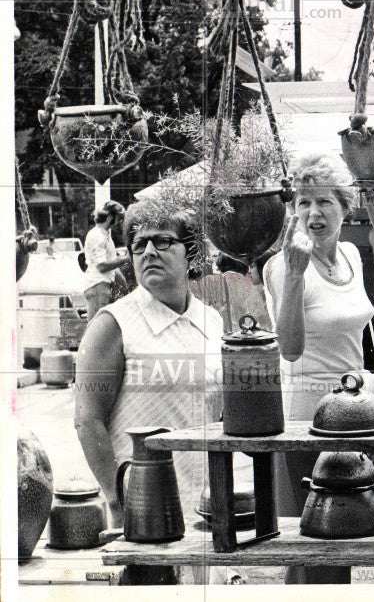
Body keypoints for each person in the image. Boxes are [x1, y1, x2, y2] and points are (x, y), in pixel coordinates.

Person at [74, 199, 223, 584]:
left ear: (191, 252)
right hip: (143, 511)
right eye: (138, 245)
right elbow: (87, 420)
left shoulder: (210, 319)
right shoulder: (112, 323)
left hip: (204, 507)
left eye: (162, 241)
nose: (148, 252)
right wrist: (117, 501)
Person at [262, 153, 374, 584]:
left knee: (345, 537)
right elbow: (288, 349)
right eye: (303, 203)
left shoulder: (351, 255)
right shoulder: (283, 266)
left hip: (355, 415)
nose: (313, 213)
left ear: (346, 207)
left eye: (324, 201)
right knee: (311, 541)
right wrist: (293, 273)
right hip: (306, 419)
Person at [82, 200, 130, 319]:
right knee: (96, 327)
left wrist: (125, 285)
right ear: (109, 217)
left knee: (101, 326)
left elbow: (111, 266)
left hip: (103, 285)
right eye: (118, 218)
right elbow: (102, 266)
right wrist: (126, 259)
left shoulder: (105, 234)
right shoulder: (98, 236)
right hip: (97, 284)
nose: (119, 222)